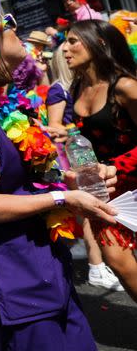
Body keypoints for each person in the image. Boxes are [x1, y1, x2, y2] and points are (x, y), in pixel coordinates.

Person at [0, 13, 118, 351]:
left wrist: (70, 181)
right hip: (14, 285)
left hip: (43, 275)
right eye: (5, 22)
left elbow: (17, 180)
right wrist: (62, 197)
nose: (15, 28)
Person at [63, 19, 137, 300]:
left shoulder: (126, 86)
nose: (65, 49)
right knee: (116, 259)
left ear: (100, 43)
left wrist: (116, 166)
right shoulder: (77, 88)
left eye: (73, 41)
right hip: (106, 191)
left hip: (131, 179)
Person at [46, 44, 123, 291]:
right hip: (71, 156)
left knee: (98, 207)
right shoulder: (58, 90)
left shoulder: (78, 88)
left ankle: (101, 263)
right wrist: (76, 131)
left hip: (85, 154)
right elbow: (55, 126)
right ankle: (97, 266)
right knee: (91, 208)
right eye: (65, 52)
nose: (70, 53)